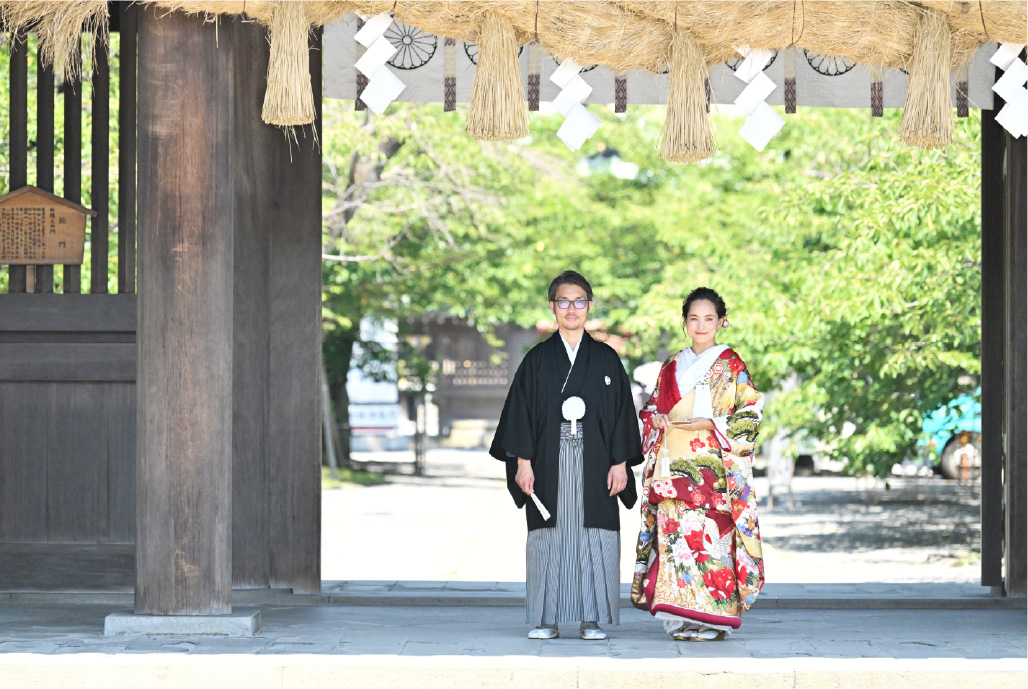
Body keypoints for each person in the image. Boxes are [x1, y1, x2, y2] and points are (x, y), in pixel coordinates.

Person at [490, 270, 643, 640]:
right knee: (549, 537)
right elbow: (521, 413)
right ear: (552, 307)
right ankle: (547, 619)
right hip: (547, 460)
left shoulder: (606, 359)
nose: (571, 308)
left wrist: (620, 463)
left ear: (589, 307)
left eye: (578, 301)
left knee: (594, 535)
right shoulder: (537, 360)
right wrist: (522, 463)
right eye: (563, 301)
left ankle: (592, 619)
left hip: (597, 461)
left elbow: (623, 412)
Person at [630, 287, 765, 641]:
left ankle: (714, 619)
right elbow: (651, 408)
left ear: (722, 321)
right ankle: (681, 617)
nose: (701, 325)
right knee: (675, 540)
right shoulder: (672, 364)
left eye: (709, 319)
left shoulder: (731, 364)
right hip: (672, 465)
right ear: (684, 322)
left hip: (712, 469)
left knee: (711, 542)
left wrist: (710, 423)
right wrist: (656, 419)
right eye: (694, 319)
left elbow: (750, 413)